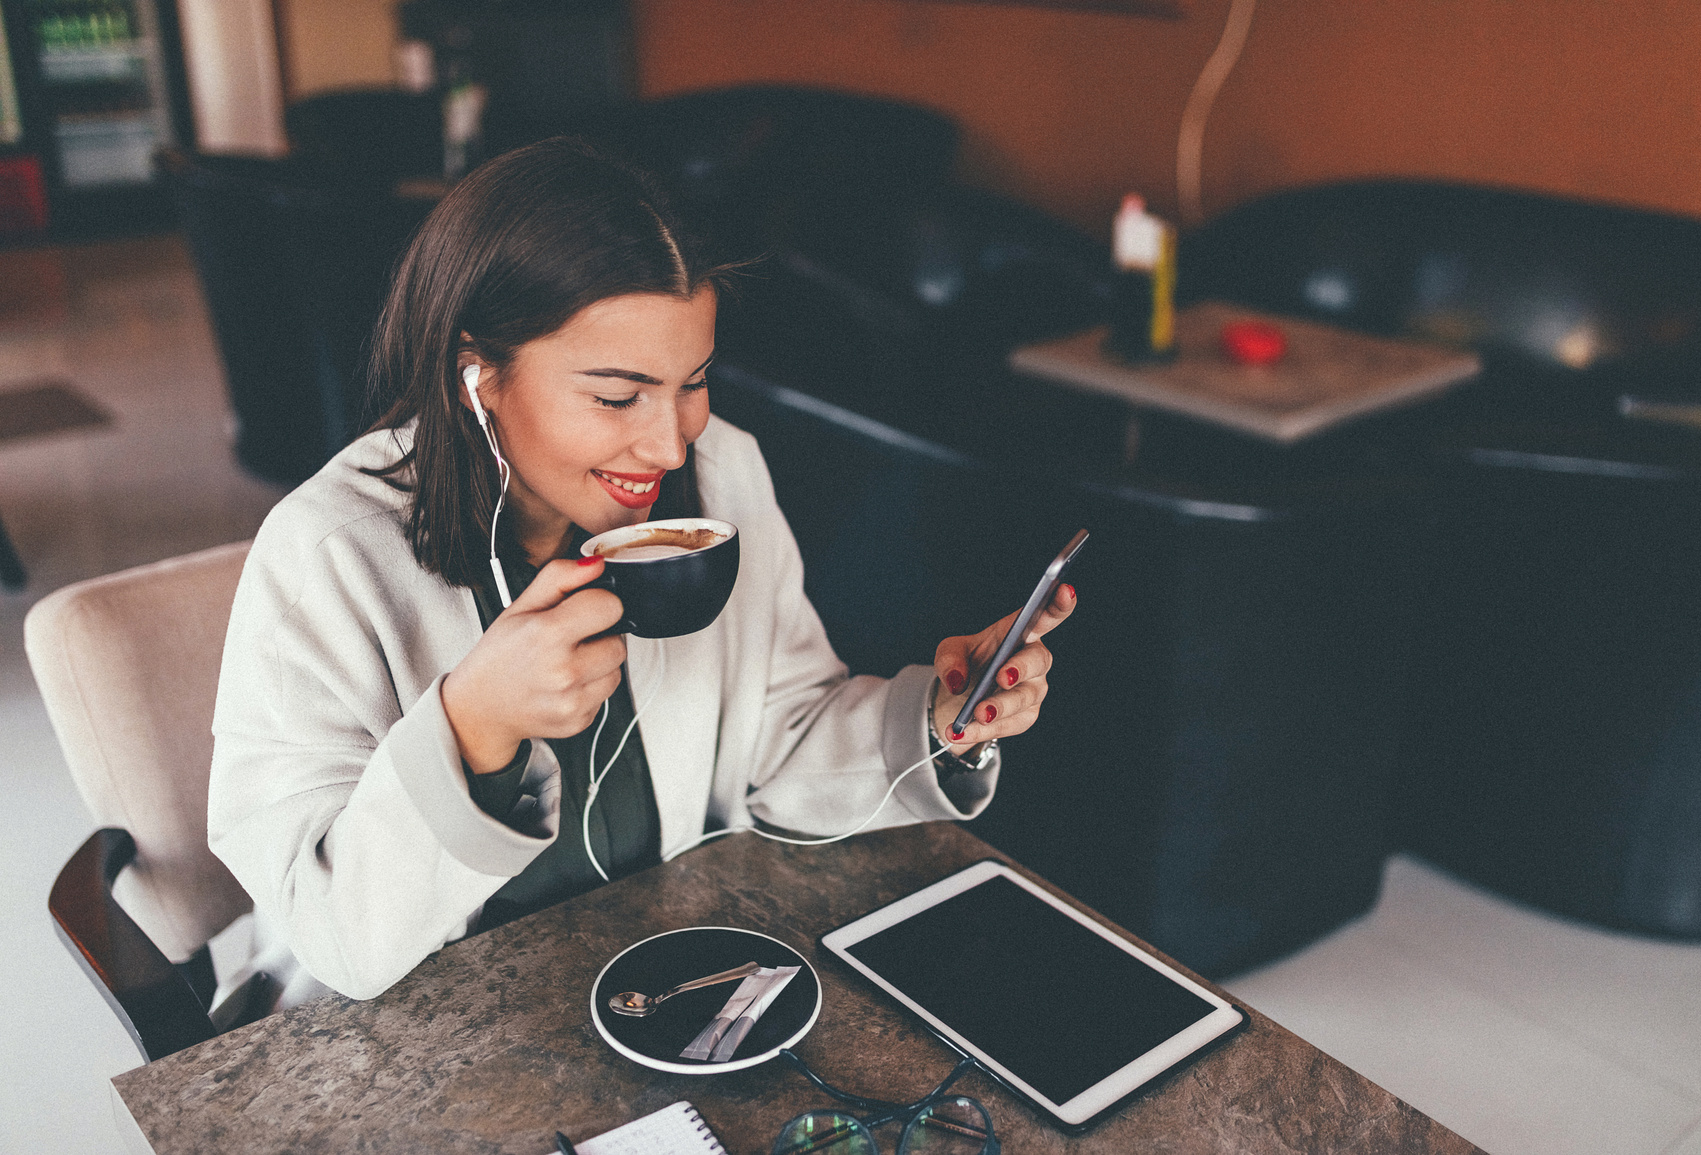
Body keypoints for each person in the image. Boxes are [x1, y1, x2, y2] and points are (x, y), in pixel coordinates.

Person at [207, 138, 1074, 1006]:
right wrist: (471, 727)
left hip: (655, 989)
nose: (669, 444)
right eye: (618, 396)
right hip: (409, 1041)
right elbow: (334, 938)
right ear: (476, 375)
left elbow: (779, 737)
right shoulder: (327, 556)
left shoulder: (722, 479)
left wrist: (938, 716)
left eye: (692, 382)